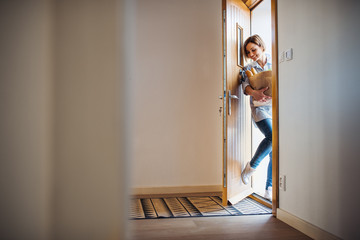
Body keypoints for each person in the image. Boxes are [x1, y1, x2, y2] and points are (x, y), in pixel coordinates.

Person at [240, 34, 273, 201]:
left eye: (254, 50)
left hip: (276, 108)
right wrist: (255, 93)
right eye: (248, 52)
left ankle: (269, 187)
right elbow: (245, 86)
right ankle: (251, 167)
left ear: (262, 47)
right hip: (260, 110)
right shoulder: (248, 68)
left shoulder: (275, 64)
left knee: (276, 148)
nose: (251, 54)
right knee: (272, 137)